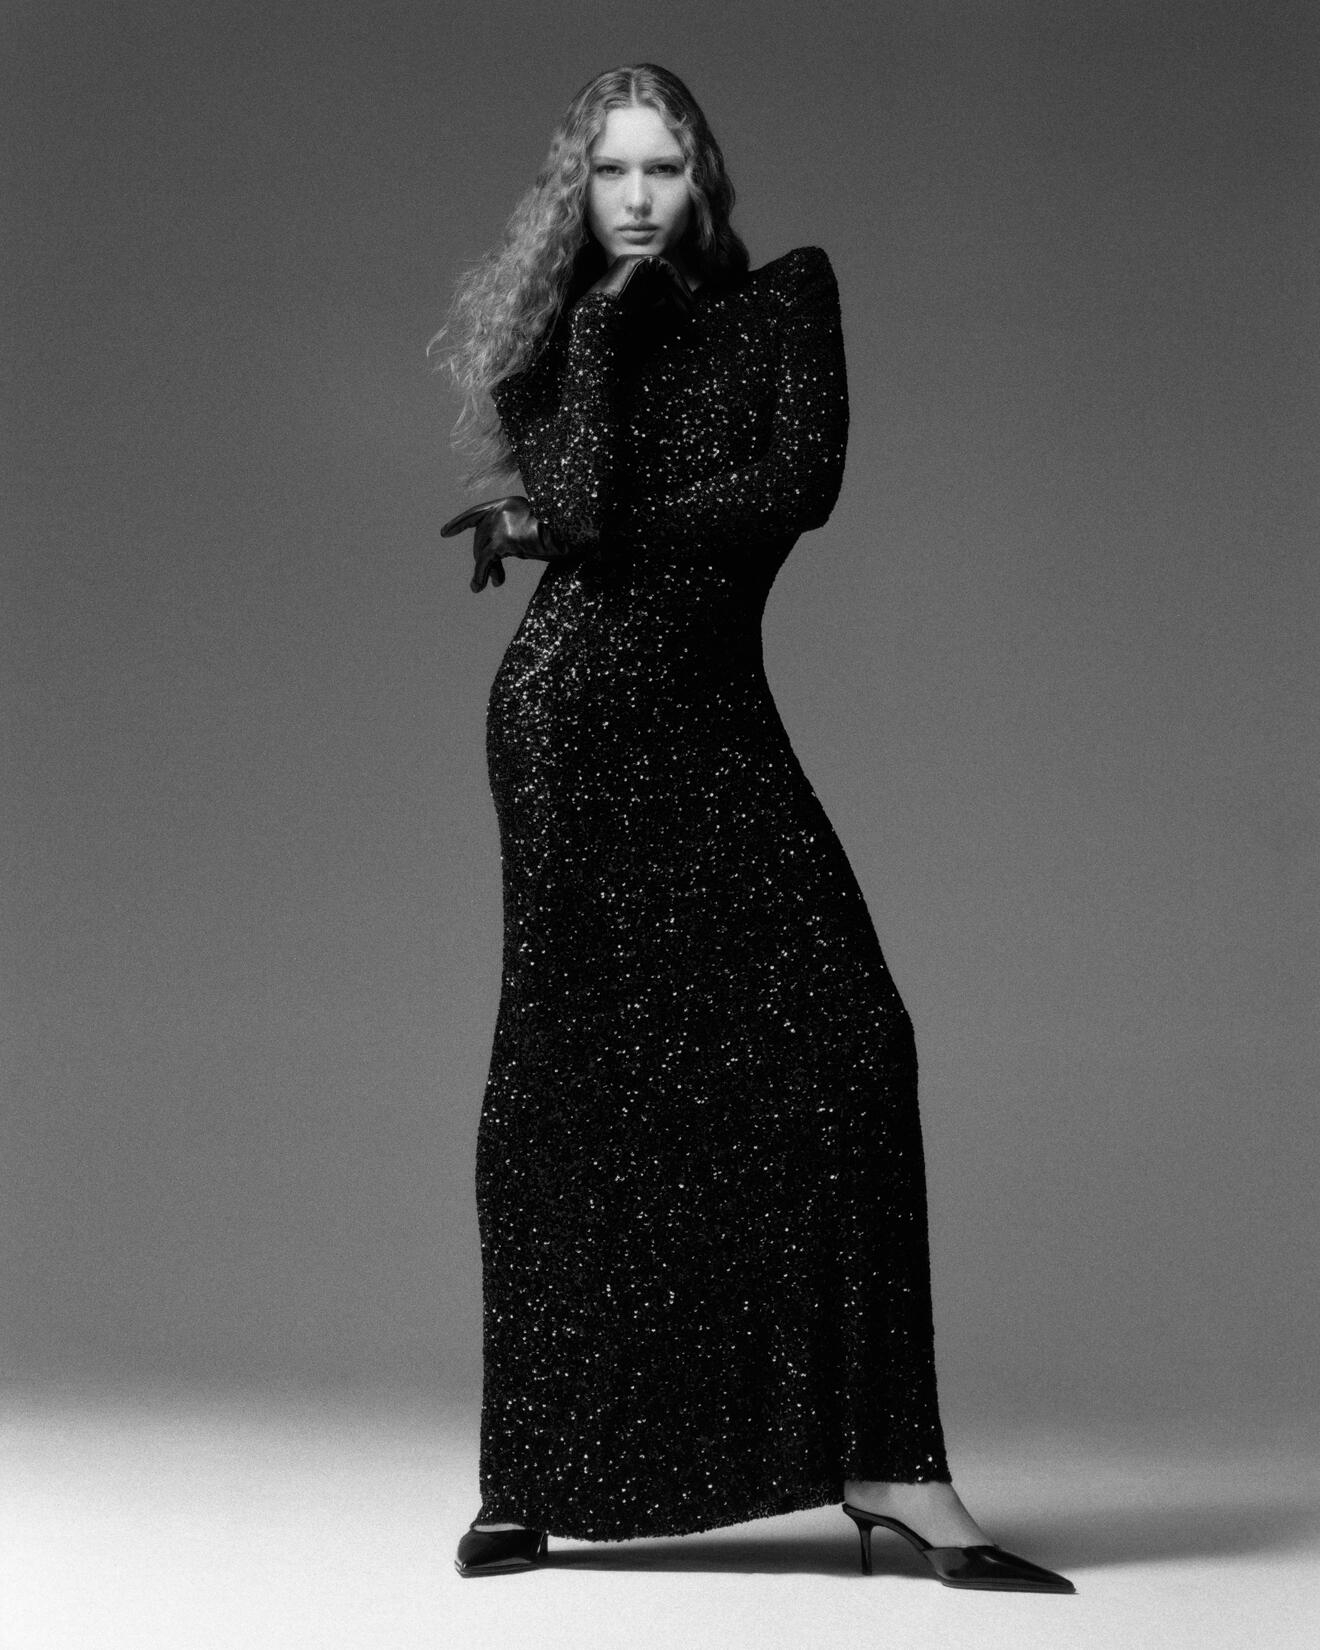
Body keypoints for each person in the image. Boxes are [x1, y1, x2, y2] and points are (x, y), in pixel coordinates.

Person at [434, 63, 1074, 1594]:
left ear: (703, 175)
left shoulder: (786, 300)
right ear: (575, 192)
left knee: (852, 1037)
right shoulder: (557, 343)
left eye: (660, 167)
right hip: (571, 720)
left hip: (713, 717)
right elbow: (583, 503)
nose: (635, 197)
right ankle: (529, 1471)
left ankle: (891, 1464)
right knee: (568, 1066)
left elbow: (801, 485)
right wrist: (598, 340)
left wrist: (560, 522)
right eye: (607, 173)